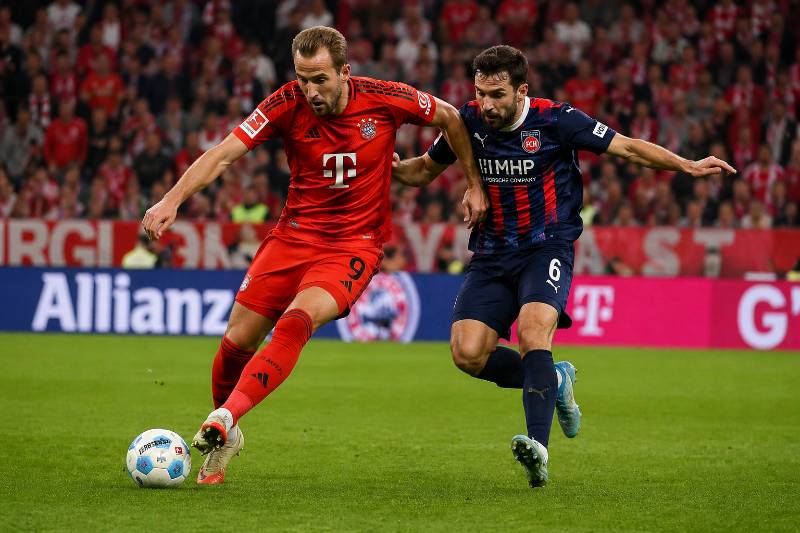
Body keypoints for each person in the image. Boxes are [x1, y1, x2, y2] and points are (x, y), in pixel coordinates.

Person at [141, 26, 487, 485]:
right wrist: (171, 200)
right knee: (235, 343)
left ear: (345, 72)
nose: (311, 90)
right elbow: (223, 154)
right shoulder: (285, 103)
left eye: (320, 79)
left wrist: (464, 181)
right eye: (303, 79)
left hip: (353, 245)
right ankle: (228, 432)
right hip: (293, 237)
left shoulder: (384, 98)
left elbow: (451, 117)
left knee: (297, 321)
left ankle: (225, 417)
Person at [392, 45, 735, 488]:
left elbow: (627, 148)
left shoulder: (557, 120)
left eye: (497, 94)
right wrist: (384, 165)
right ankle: (554, 379)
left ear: (522, 91)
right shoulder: (468, 121)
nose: (487, 104)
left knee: (533, 334)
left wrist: (686, 165)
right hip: (492, 253)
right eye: (480, 93)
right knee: (467, 354)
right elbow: (422, 171)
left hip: (546, 248)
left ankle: (538, 448)